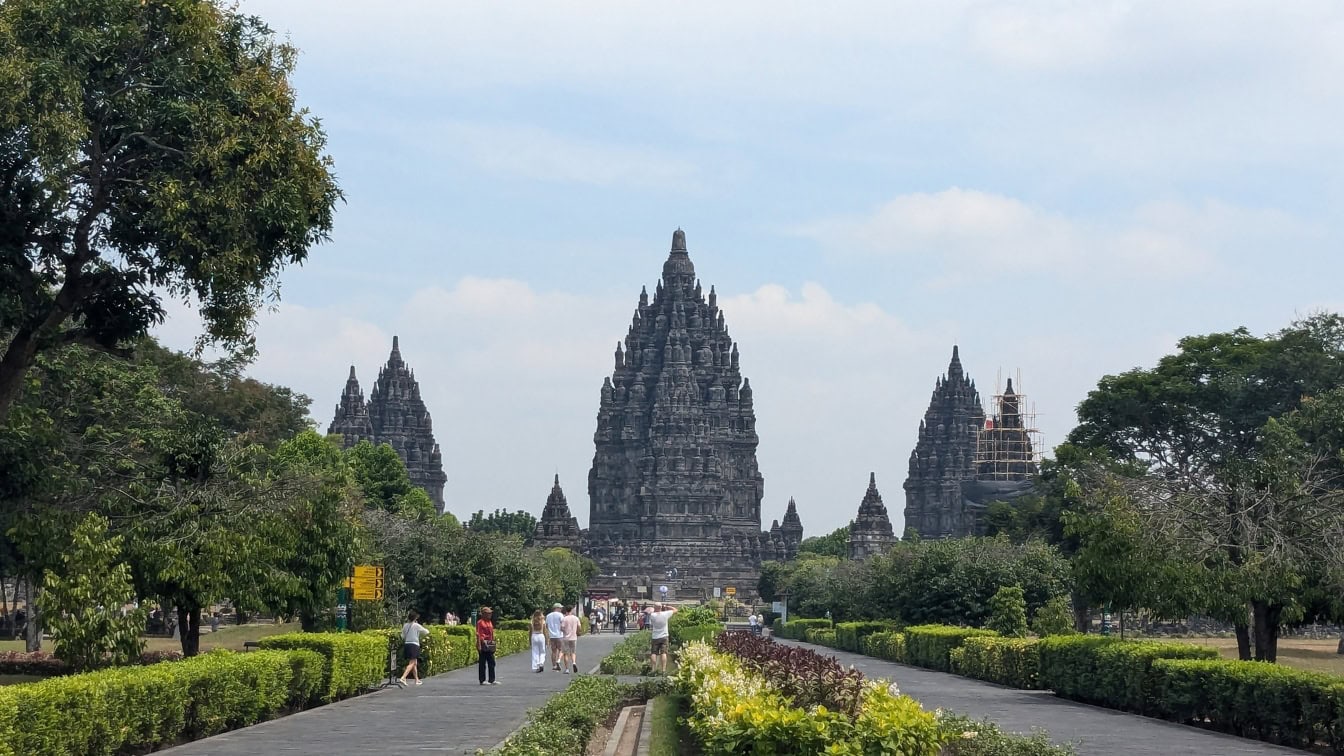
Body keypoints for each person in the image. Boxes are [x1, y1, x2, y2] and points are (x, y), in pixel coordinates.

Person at [399, 610, 430, 686]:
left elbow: (402, 636)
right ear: (415, 618)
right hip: (414, 645)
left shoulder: (405, 625)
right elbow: (426, 632)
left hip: (407, 644)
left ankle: (417, 680)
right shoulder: (416, 625)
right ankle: (403, 677)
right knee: (412, 663)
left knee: (414, 663)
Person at [647, 603, 677, 674]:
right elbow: (675, 610)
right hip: (664, 636)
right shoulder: (665, 614)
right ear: (661, 607)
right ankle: (663, 670)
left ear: (655, 607)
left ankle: (653, 670)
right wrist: (667, 606)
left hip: (655, 636)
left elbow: (649, 612)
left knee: (654, 653)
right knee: (663, 653)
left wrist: (652, 610)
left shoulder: (652, 615)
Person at [477, 606, 498, 685]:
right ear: (484, 614)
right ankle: (482, 680)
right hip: (483, 643)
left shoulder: (489, 622)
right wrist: (479, 644)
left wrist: (493, 642)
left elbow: (491, 633)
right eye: (488, 613)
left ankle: (492, 679)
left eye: (490, 613)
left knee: (492, 662)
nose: (490, 614)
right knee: (482, 663)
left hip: (490, 642)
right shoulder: (480, 622)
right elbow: (479, 634)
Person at [560, 605, 580, 674]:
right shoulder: (576, 618)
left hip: (566, 638)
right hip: (574, 637)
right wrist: (577, 632)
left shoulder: (564, 619)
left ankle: (567, 669)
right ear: (571, 610)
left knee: (566, 653)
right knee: (573, 652)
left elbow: (562, 628)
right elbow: (579, 627)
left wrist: (565, 631)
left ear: (566, 610)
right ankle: (574, 663)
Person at [545, 603, 565, 671]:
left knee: (553, 651)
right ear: (556, 608)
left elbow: (546, 626)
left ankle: (554, 666)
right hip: (559, 635)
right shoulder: (560, 615)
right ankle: (558, 660)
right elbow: (563, 624)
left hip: (551, 636)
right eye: (560, 608)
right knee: (561, 649)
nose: (561, 609)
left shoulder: (548, 616)